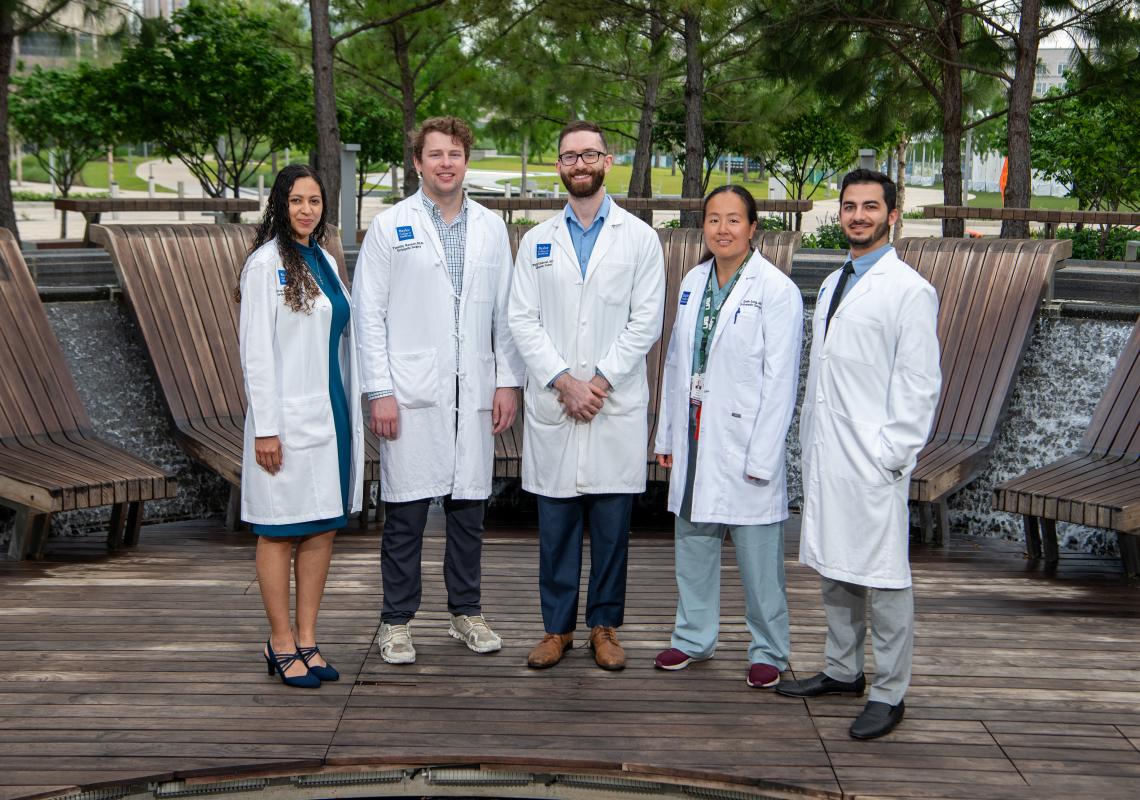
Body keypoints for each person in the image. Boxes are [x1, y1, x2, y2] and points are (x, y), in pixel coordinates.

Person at [352, 116, 524, 665]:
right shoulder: (390, 226)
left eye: (454, 153)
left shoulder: (491, 227)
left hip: (473, 390)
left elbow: (506, 314)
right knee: (405, 514)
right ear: (418, 163)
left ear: (466, 161)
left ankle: (465, 613)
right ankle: (396, 622)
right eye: (435, 154)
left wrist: (507, 382)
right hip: (409, 392)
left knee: (468, 510)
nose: (445, 163)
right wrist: (379, 390)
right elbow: (368, 313)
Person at [776, 169, 941, 739]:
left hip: (873, 457)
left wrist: (892, 453)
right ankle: (843, 670)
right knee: (835, 562)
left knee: (885, 575)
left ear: (892, 215)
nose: (858, 216)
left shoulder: (909, 291)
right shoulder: (833, 282)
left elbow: (919, 383)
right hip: (830, 450)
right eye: (850, 206)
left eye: (871, 207)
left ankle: (890, 692)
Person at [509, 120, 665, 671]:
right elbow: (522, 320)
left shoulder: (639, 238)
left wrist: (596, 383)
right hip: (558, 400)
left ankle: (604, 627)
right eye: (570, 156)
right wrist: (564, 382)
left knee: (611, 529)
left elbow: (645, 321)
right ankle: (557, 630)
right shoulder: (537, 241)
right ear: (559, 166)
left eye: (590, 154)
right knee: (555, 529)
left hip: (610, 403)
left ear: (607, 161)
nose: (580, 164)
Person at [652, 185, 802, 689]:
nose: (722, 229)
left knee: (759, 557)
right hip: (697, 433)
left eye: (733, 219)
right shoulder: (693, 281)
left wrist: (764, 455)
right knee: (694, 543)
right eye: (713, 219)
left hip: (746, 439)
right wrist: (667, 436)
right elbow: (677, 363)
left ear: (753, 228)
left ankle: (769, 649)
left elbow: (781, 381)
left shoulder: (776, 289)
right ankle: (693, 637)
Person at [237, 164, 364, 688]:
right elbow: (256, 353)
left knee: (321, 526)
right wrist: (266, 428)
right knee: (279, 529)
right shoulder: (265, 265)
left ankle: (308, 639)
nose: (306, 210)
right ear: (279, 205)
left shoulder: (326, 261)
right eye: (296, 201)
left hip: (330, 410)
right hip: (286, 418)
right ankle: (280, 641)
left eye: (314, 201)